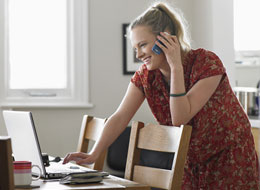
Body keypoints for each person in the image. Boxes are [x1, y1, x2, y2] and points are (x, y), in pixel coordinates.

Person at [63, 2, 260, 189]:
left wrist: (175, 66)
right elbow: (121, 116)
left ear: (166, 40)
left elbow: (180, 118)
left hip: (229, 158)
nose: (138, 55)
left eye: (142, 45)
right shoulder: (146, 76)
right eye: (135, 48)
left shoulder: (207, 63)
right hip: (190, 161)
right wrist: (94, 153)